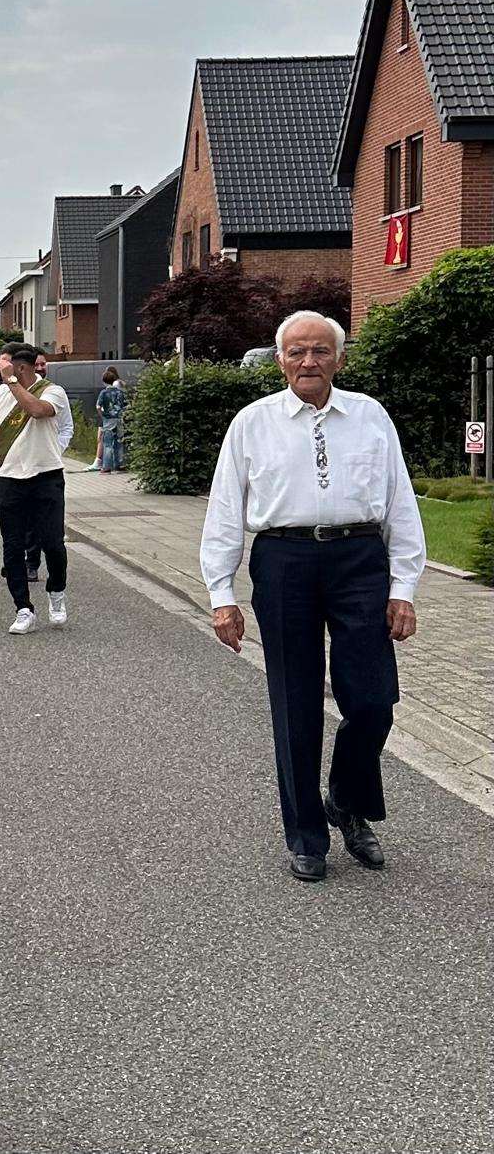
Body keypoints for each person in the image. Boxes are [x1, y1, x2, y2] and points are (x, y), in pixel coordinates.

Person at [202, 311, 424, 884]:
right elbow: (226, 510)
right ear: (280, 360)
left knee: (374, 700)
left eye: (321, 351)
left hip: (359, 560)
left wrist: (404, 587)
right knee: (295, 704)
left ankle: (346, 801)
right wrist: (222, 593)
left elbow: (401, 502)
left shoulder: (371, 417)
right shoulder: (252, 423)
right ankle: (306, 835)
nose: (309, 362)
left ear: (339, 359)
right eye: (297, 352)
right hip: (283, 561)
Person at [0, 347, 72, 635]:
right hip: (10, 480)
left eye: (5, 366)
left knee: (52, 543)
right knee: (12, 547)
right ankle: (23, 608)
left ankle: (56, 592)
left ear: (21, 368)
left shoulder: (53, 391)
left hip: (46, 477)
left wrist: (13, 383)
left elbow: (37, 410)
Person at [20, 350, 73, 582]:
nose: (40, 368)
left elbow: (66, 427)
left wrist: (53, 450)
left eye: (43, 364)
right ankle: (27, 562)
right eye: (37, 364)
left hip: (48, 467)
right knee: (26, 520)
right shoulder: (12, 392)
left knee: (47, 525)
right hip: (22, 466)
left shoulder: (54, 392)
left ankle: (41, 565)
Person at [95, 367, 128, 472]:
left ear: (104, 381)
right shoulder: (120, 393)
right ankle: (119, 465)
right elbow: (124, 405)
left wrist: (103, 415)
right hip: (119, 419)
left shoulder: (103, 393)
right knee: (119, 443)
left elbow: (98, 407)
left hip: (108, 420)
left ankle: (106, 467)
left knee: (108, 444)